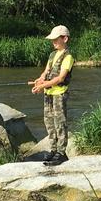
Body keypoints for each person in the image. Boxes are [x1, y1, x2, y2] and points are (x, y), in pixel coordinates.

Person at [29, 25, 74, 166]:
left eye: (56, 39)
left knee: (59, 122)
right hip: (48, 93)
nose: (53, 42)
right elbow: (46, 71)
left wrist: (43, 86)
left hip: (59, 94)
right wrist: (40, 80)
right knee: (49, 121)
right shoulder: (52, 55)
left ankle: (61, 153)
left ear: (65, 39)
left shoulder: (68, 57)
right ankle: (53, 150)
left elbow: (60, 78)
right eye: (52, 39)